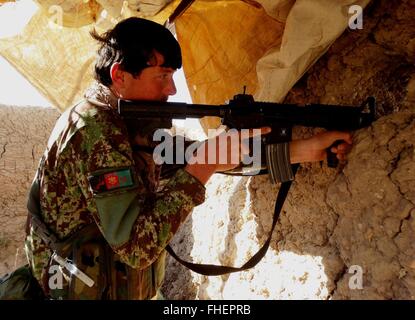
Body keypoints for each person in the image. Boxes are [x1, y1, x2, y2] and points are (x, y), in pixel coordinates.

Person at [24, 17, 352, 300]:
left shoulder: (125, 121)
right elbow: (136, 247)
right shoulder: (95, 131)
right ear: (120, 75)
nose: (172, 90)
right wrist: (204, 167)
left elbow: (191, 156)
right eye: (162, 76)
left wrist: (302, 150)